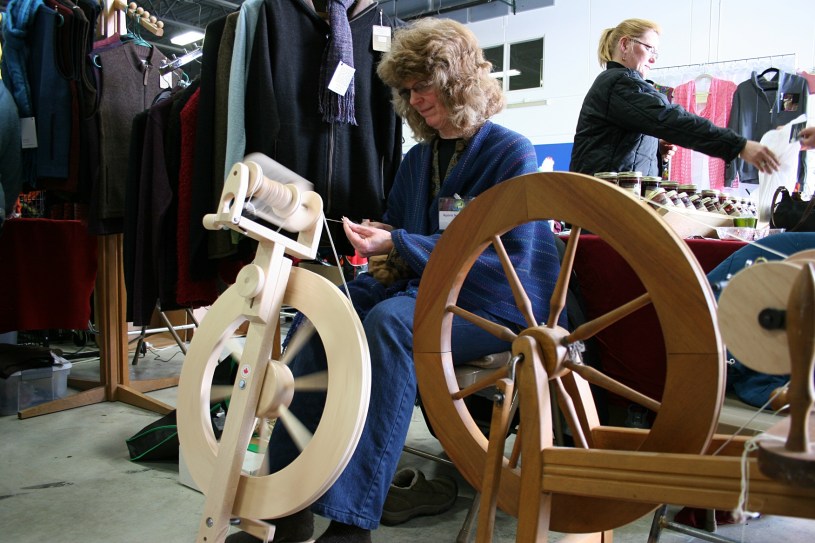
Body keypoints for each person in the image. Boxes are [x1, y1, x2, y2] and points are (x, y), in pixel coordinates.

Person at [227, 18, 565, 543]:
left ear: (458, 81)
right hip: (423, 294)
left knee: (389, 323)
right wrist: (385, 238)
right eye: (408, 89)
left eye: (425, 84)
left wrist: (401, 244)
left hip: (494, 305)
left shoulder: (510, 153)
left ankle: (350, 523)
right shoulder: (416, 159)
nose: (416, 98)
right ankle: (285, 504)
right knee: (323, 315)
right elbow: (409, 244)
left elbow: (509, 262)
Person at [570, 18, 780, 178]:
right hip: (603, 207)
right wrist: (738, 146)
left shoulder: (618, 84)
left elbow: (614, 146)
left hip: (607, 202)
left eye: (656, 52)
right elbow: (671, 119)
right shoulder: (620, 83)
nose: (653, 58)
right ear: (624, 45)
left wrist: (654, 149)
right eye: (649, 48)